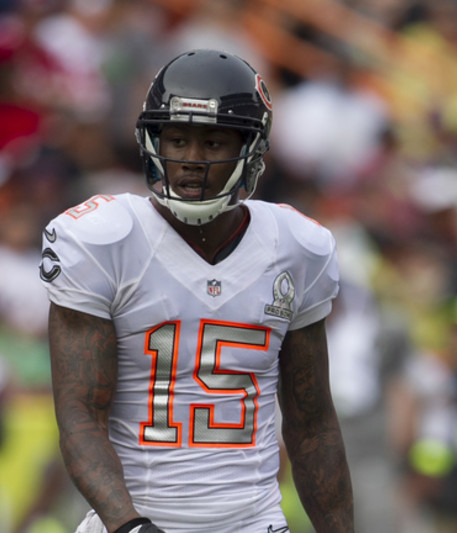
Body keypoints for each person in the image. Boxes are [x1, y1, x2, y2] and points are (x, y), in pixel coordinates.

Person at [38, 49, 354, 533]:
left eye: (212, 142)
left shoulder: (296, 247)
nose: (190, 160)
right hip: (136, 518)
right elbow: (80, 416)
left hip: (253, 521)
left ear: (251, 147)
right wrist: (129, 525)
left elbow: (313, 425)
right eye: (178, 139)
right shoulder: (104, 239)